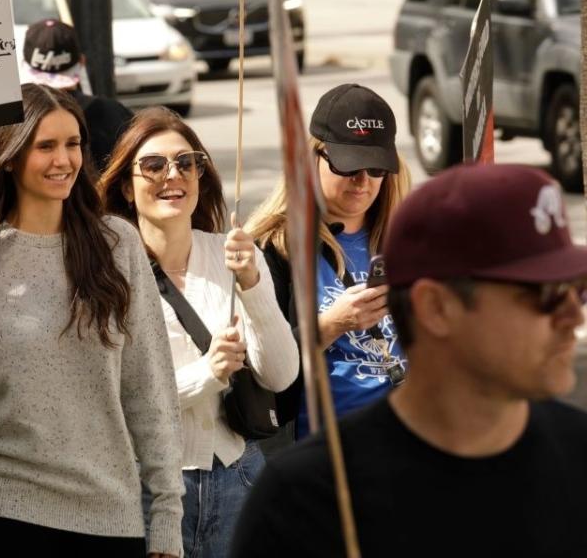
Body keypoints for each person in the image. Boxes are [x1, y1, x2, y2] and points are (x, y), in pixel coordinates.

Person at [231, 163, 587, 557]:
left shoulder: (577, 457)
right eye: (543, 295)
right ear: (435, 308)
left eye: (578, 290)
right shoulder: (309, 500)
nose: (573, 317)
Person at [0, 83, 183, 557]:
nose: (65, 159)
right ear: (10, 156)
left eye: (73, 143)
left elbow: (149, 388)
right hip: (2, 505)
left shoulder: (117, 245)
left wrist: (166, 515)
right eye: (46, 146)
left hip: (107, 509)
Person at [98, 107, 299, 558]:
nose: (173, 175)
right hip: (146, 489)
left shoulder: (232, 253)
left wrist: (254, 287)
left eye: (186, 162)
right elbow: (114, 397)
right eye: (154, 165)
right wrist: (205, 375)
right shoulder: (108, 271)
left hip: (237, 476)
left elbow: (282, 376)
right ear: (127, 187)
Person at [245, 83, 411, 439]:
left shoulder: (407, 239)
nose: (362, 181)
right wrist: (332, 324)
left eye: (376, 169)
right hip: (321, 448)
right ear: (312, 159)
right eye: (348, 166)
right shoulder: (273, 246)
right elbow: (257, 363)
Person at [21, 18, 132, 171]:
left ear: (24, 64)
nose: (62, 161)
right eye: (46, 146)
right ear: (81, 62)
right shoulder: (113, 113)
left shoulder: (14, 117)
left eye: (72, 143)